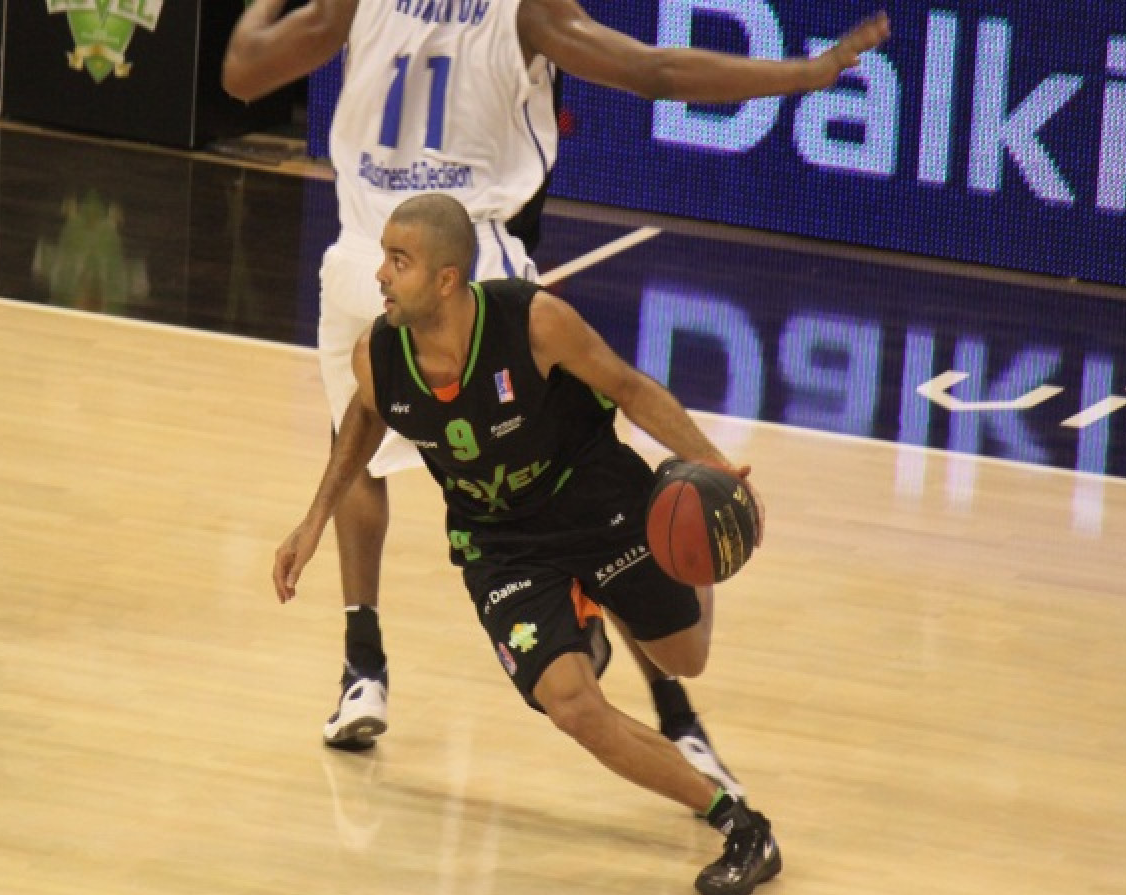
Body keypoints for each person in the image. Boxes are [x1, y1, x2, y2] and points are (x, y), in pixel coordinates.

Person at [226, 0, 888, 765]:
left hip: (361, 263)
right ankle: (676, 715)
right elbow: (657, 71)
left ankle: (362, 669)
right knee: (577, 477)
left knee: (359, 446)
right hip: (464, 271)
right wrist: (805, 74)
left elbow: (245, 73)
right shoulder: (526, 8)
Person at [274, 193, 779, 895]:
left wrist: (715, 469)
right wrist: (313, 520)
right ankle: (740, 825)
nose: (381, 276)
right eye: (384, 258)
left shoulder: (533, 321)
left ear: (446, 280)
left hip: (597, 501)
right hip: (500, 543)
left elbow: (629, 388)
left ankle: (666, 543)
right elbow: (361, 415)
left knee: (683, 659)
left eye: (399, 261)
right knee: (571, 704)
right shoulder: (379, 354)